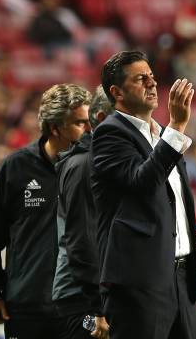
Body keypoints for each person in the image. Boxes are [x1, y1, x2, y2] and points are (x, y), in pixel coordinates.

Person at [91, 50, 196, 339]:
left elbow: (177, 209)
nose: (152, 83)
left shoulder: (161, 136)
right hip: (140, 285)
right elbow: (143, 184)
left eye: (152, 77)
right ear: (117, 92)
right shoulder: (110, 134)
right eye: (141, 79)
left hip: (182, 281)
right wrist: (177, 126)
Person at [0, 83, 91, 339]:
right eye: (80, 123)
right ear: (54, 127)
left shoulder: (95, 168)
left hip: (82, 308)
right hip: (28, 308)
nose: (90, 131)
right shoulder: (15, 169)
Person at [53, 86, 113, 339]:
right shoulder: (83, 166)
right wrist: (98, 306)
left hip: (97, 293)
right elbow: (82, 242)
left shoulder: (103, 162)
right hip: (82, 299)